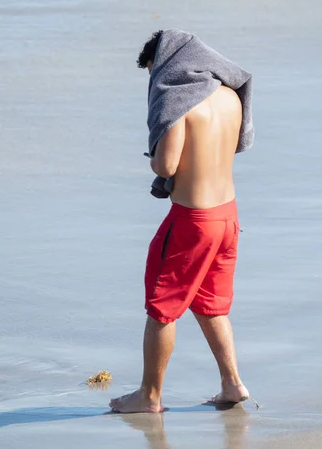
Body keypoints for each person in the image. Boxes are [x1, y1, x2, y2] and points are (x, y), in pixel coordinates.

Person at [110, 31, 250, 413]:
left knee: (162, 307)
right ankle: (232, 383)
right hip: (227, 215)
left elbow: (167, 165)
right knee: (211, 303)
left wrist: (154, 154)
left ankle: (148, 396)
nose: (156, 84)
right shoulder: (230, 96)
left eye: (155, 73)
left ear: (169, 64)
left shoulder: (180, 101)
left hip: (192, 220)